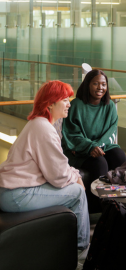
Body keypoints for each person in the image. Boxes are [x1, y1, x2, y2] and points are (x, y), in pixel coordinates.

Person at [0, 80, 90, 254]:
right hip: (18, 194)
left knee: (74, 187)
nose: (69, 104)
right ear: (50, 104)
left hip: (11, 191)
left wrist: (75, 175)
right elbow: (58, 176)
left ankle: (65, 246)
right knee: (78, 193)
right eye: (64, 100)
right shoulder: (44, 128)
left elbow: (59, 165)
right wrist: (77, 178)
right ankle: (81, 253)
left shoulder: (39, 124)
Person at [62, 69, 126, 212]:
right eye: (95, 84)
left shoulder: (109, 106)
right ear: (87, 85)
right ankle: (96, 208)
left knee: (119, 155)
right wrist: (90, 147)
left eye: (103, 84)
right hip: (79, 149)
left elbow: (111, 132)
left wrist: (96, 146)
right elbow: (72, 135)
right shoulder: (76, 105)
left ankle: (118, 203)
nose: (100, 88)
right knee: (99, 163)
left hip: (102, 146)